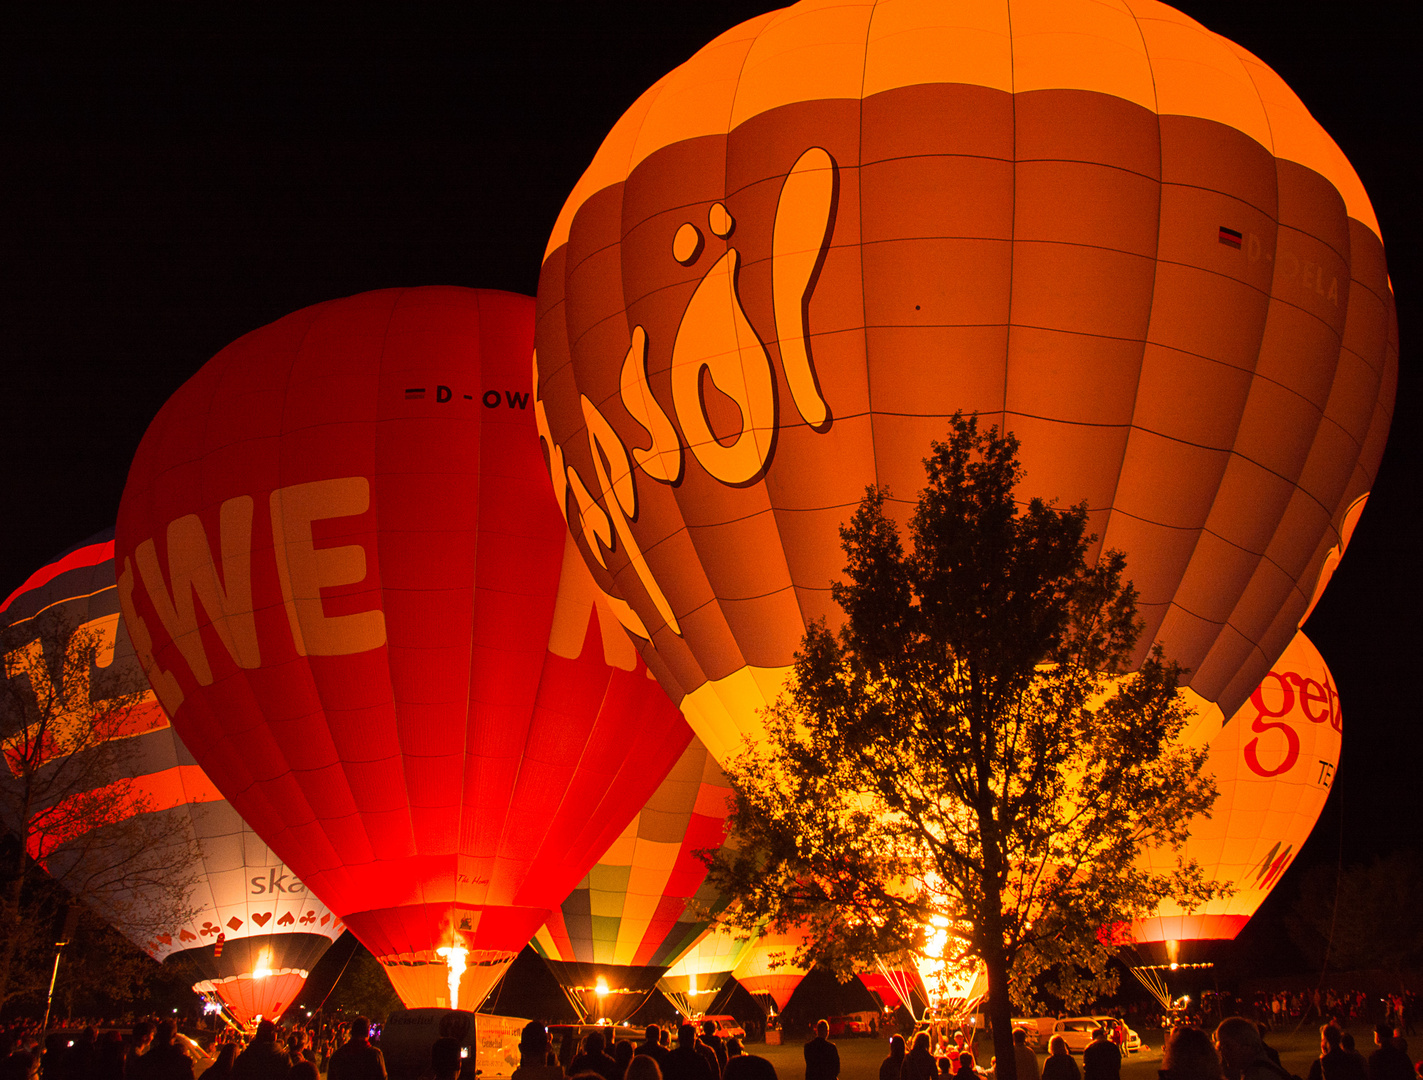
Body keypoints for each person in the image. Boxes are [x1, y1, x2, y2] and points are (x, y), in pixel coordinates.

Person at [1214, 1017, 1289, 1080]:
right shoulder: (1264, 1066)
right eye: (1220, 1047)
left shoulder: (1258, 1075)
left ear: (1247, 1045)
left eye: (1228, 1046)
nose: (1223, 1052)